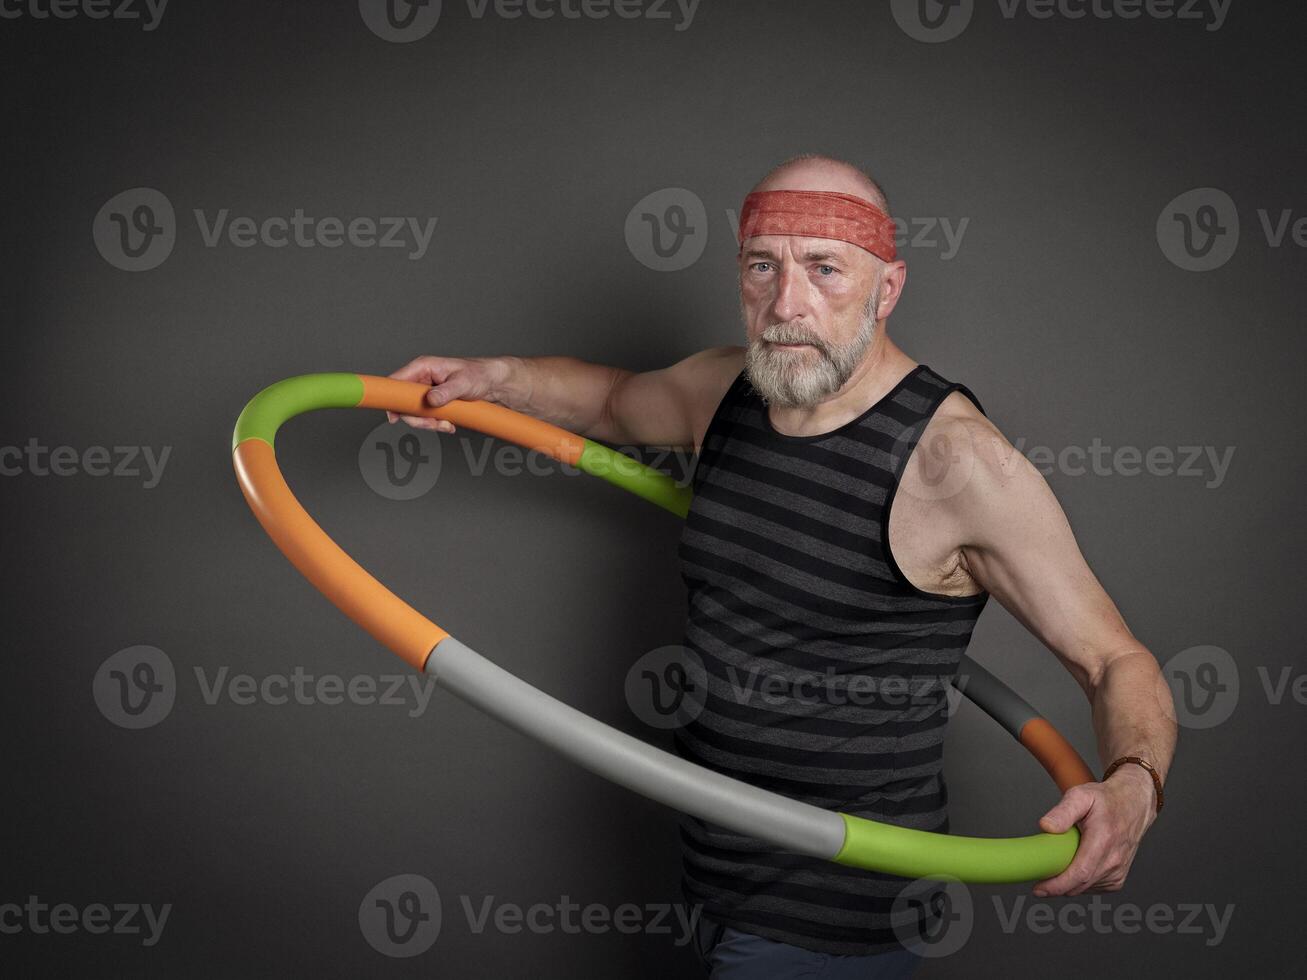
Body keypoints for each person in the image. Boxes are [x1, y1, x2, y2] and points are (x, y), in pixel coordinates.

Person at [386, 154, 1177, 978]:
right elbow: (612, 400)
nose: (787, 303)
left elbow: (1114, 660)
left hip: (834, 914)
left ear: (887, 287)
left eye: (825, 269)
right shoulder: (727, 389)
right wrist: (493, 379)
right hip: (708, 871)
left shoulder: (958, 463)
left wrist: (1132, 785)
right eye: (763, 266)